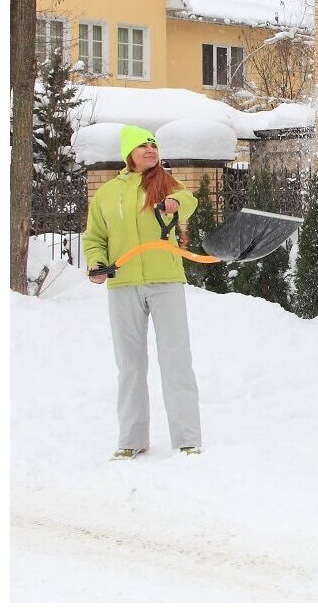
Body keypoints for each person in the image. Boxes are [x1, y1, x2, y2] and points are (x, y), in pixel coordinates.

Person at [83, 125, 203, 460]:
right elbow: (94, 237)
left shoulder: (168, 183)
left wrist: (173, 202)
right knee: (130, 365)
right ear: (129, 153)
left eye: (154, 144)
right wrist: (96, 262)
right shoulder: (107, 194)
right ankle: (131, 440)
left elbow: (189, 200)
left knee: (176, 359)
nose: (151, 149)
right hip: (123, 283)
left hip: (165, 279)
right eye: (143, 145)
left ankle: (188, 437)